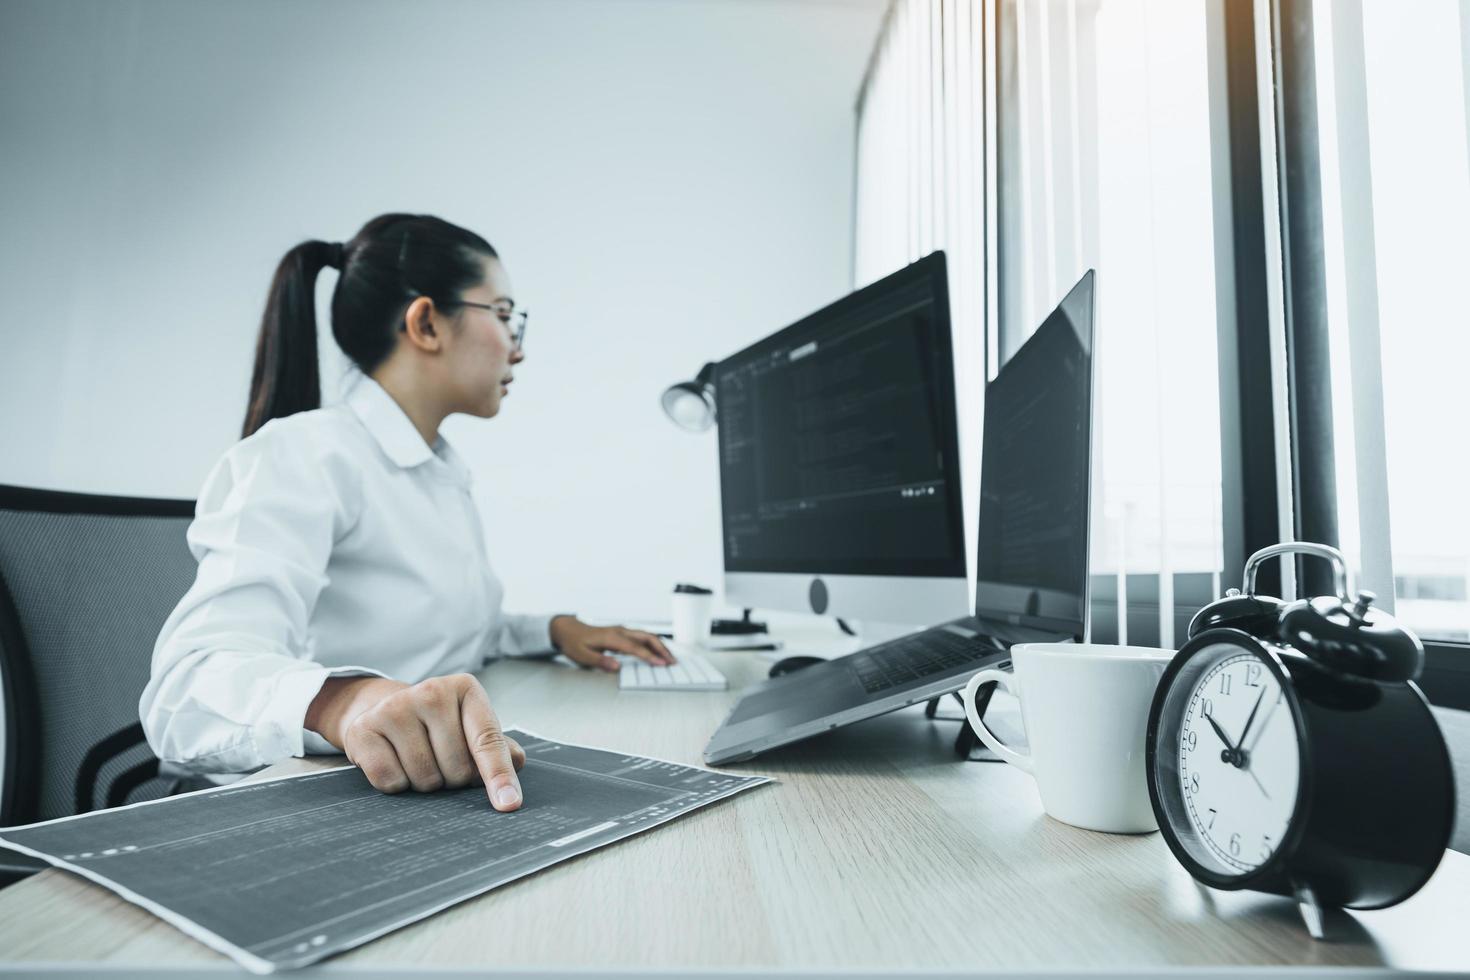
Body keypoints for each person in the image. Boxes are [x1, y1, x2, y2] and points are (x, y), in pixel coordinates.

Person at [140, 213, 673, 813]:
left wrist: (552, 630)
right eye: (503, 315)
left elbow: (442, 634)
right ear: (425, 323)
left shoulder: (439, 471)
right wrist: (345, 702)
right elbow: (186, 692)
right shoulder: (304, 455)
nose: (518, 347)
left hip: (405, 789)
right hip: (280, 798)